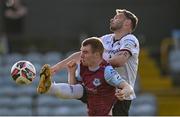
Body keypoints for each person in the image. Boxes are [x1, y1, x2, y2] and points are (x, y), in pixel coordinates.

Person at [38, 9, 139, 116]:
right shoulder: (106, 39)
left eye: (117, 18)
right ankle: (49, 87)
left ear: (127, 23)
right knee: (78, 90)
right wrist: (57, 67)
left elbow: (120, 61)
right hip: (100, 84)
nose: (112, 19)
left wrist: (96, 63)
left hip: (119, 93)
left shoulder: (130, 40)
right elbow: (83, 54)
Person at [37, 37, 133, 116]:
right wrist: (71, 72)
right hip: (91, 100)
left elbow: (128, 87)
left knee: (81, 90)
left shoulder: (107, 71)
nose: (81, 55)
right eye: (81, 51)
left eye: (85, 52)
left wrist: (124, 92)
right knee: (79, 89)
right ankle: (48, 87)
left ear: (96, 55)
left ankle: (49, 87)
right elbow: (72, 87)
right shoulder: (83, 67)